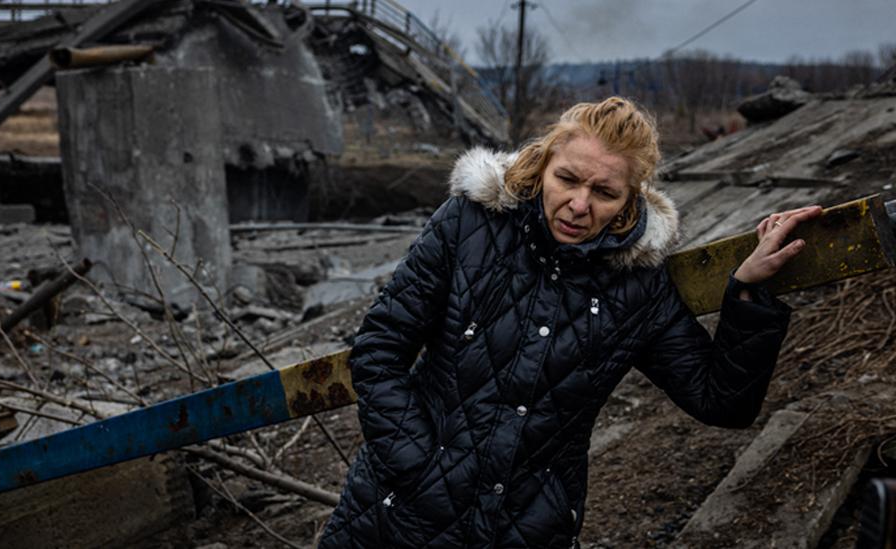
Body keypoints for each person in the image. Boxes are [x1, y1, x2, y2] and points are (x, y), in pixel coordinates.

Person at [317, 96, 822, 549]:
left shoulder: (638, 287)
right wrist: (418, 466)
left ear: (630, 199)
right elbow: (378, 350)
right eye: (568, 179)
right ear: (543, 165)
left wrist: (750, 293)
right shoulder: (468, 225)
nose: (579, 206)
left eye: (605, 192)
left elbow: (722, 401)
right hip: (392, 518)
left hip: (527, 529)